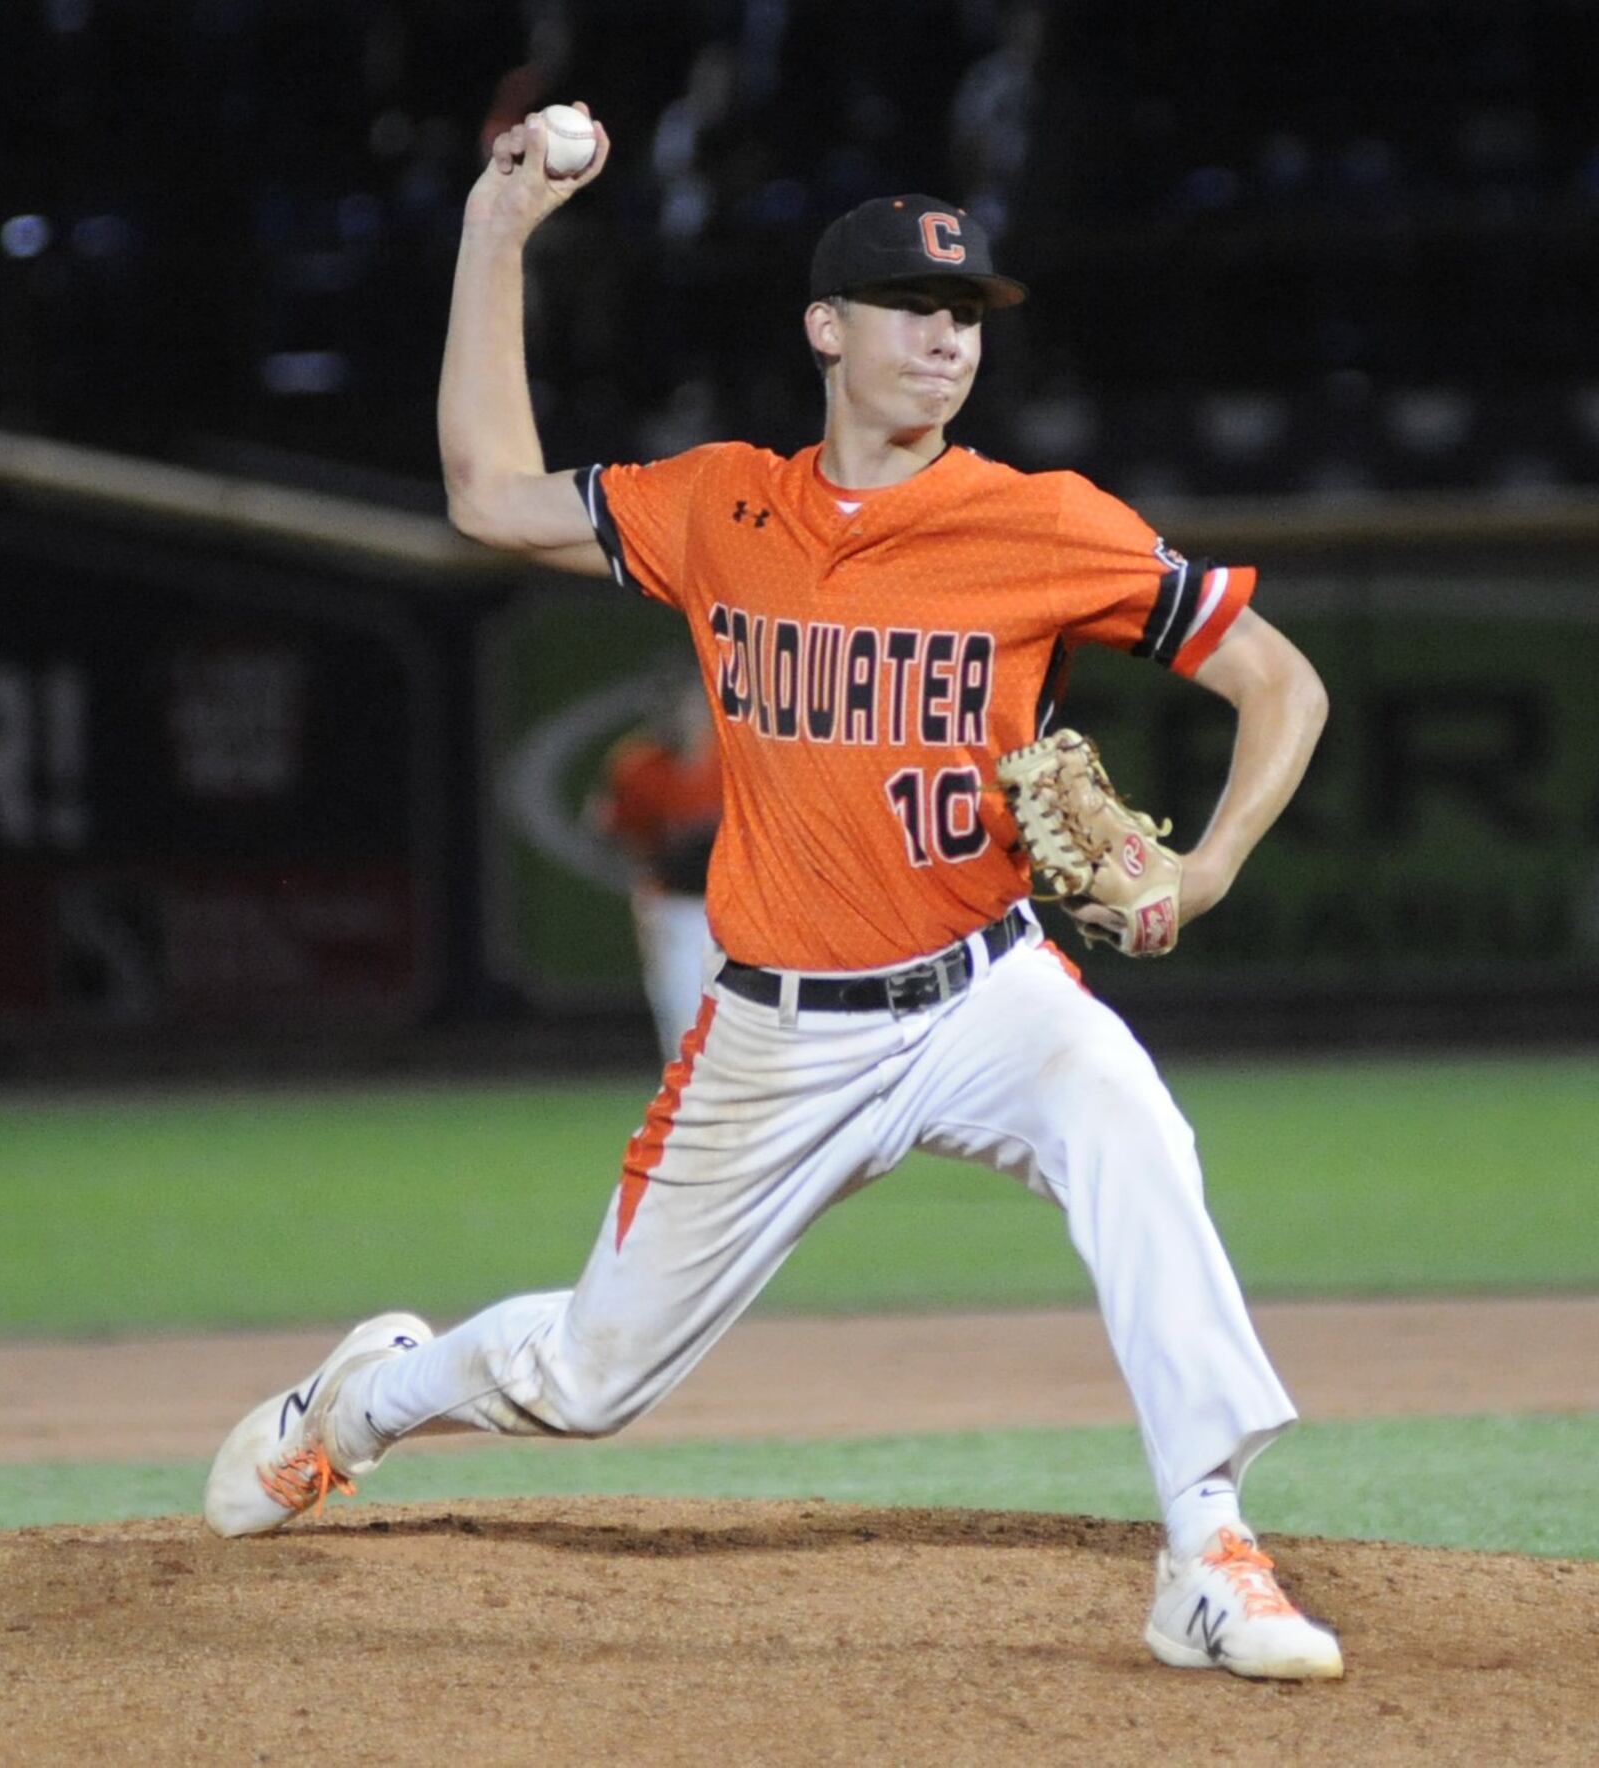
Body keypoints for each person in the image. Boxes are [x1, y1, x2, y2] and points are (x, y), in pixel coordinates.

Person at [204, 106, 1342, 1682]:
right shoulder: (720, 505)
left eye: (967, 319)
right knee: (594, 1380)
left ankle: (1208, 1551)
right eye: (914, 311)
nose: (948, 343)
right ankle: (368, 1400)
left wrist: (1207, 866)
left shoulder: (1045, 521)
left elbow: (1280, 682)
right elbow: (485, 493)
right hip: (781, 1029)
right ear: (827, 327)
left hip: (985, 988)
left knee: (1134, 1130)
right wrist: (496, 231)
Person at [586, 665, 722, 1062]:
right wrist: (647, 872)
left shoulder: (731, 758)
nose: (678, 714)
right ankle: (689, 1116)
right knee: (683, 1026)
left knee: (745, 1027)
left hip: (734, 911)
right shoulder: (637, 767)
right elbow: (604, 831)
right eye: (669, 706)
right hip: (673, 909)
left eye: (686, 704)